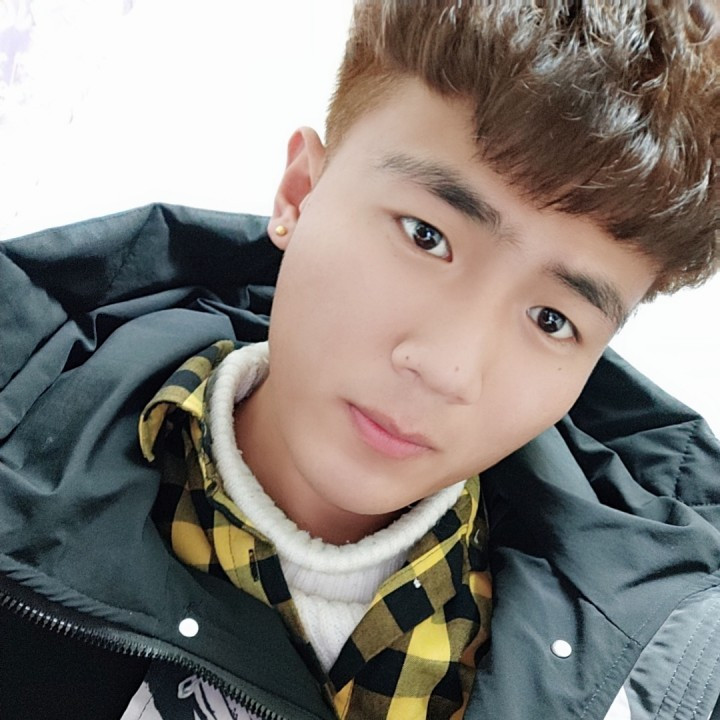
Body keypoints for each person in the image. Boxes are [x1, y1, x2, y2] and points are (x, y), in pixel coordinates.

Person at [0, 1, 718, 718]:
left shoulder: (667, 669)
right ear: (299, 195)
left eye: (552, 320)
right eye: (426, 236)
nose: (448, 369)